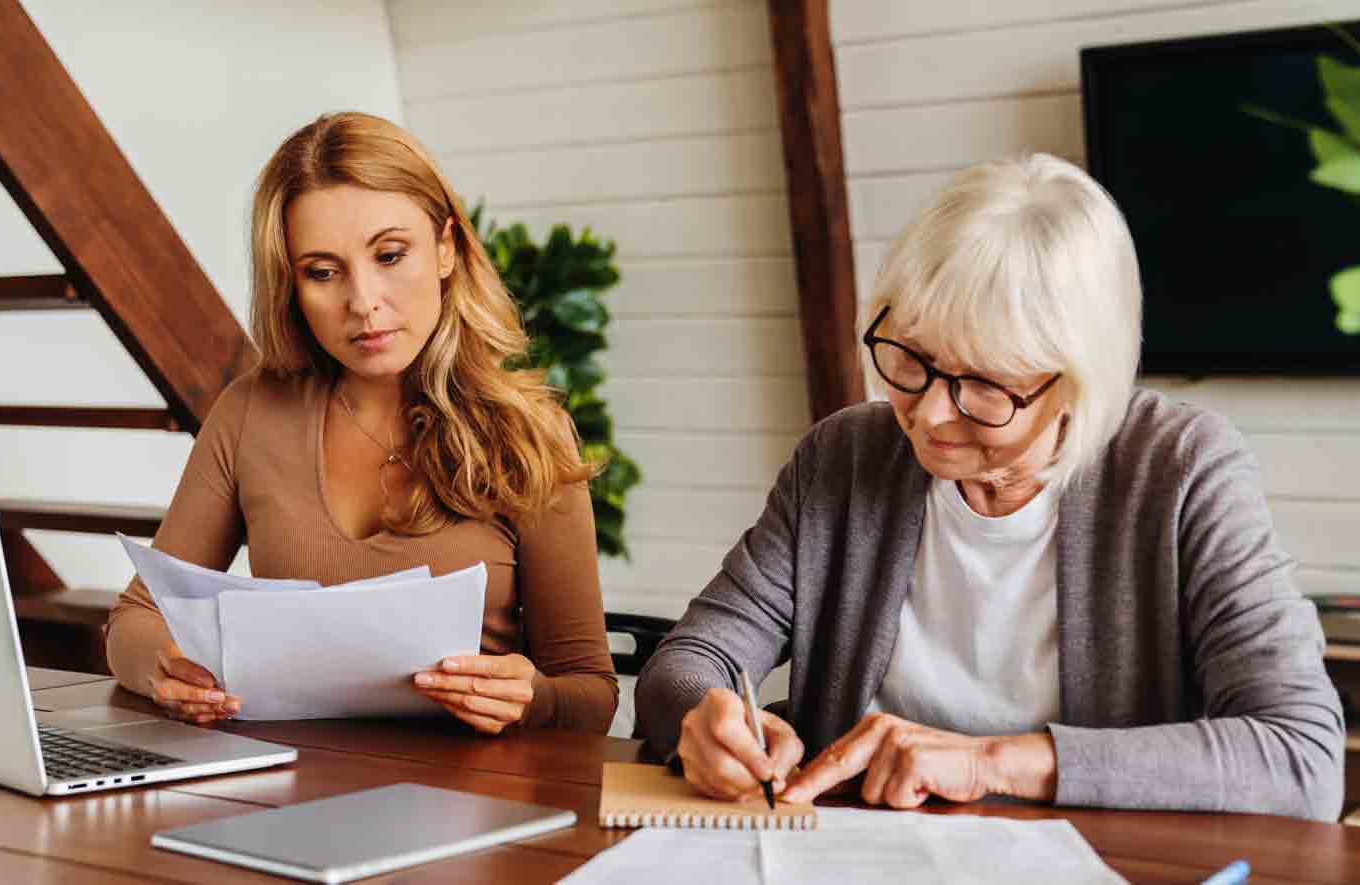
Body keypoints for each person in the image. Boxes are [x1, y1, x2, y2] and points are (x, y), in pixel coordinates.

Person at [634, 154, 1345, 819]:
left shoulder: (1183, 471)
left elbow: (1299, 759)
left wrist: (991, 763)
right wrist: (706, 716)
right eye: (909, 358)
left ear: (1076, 384)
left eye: (983, 385)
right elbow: (689, 660)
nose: (931, 415)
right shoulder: (843, 457)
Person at [106, 112, 617, 735]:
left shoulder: (528, 433)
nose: (363, 302)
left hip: (479, 800)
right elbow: (134, 618)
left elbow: (591, 693)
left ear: (447, 248)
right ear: (291, 286)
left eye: (390, 255)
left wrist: (532, 697)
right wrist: (166, 668)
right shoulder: (251, 413)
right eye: (323, 272)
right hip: (289, 789)